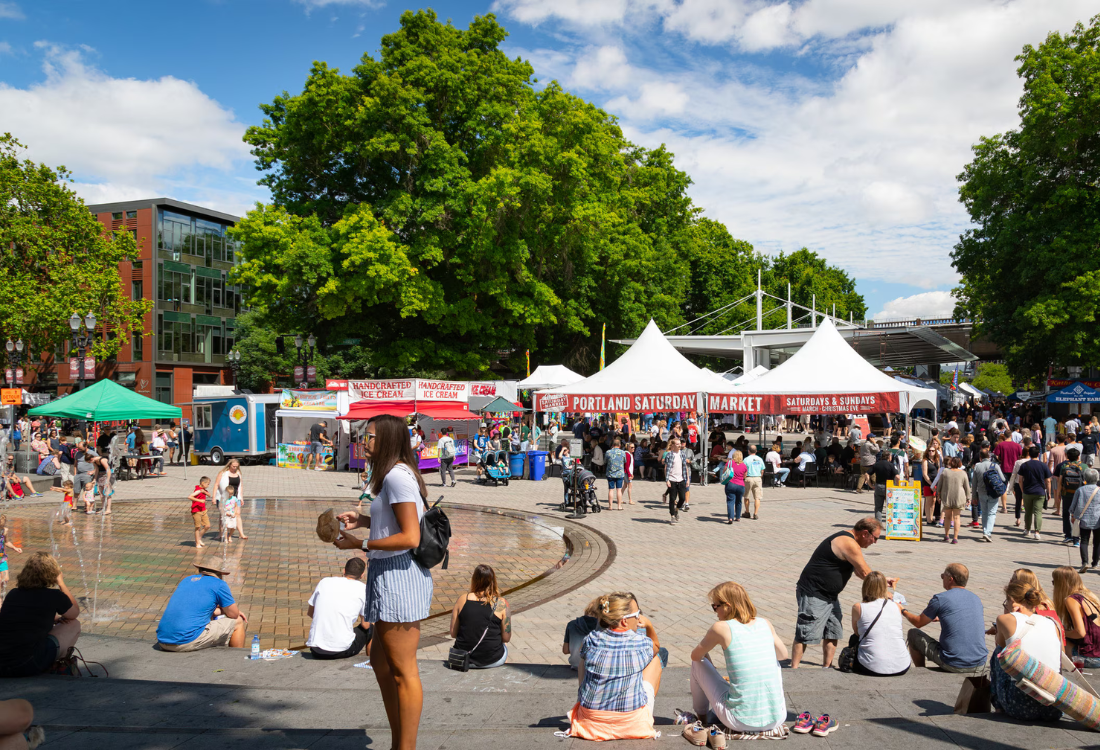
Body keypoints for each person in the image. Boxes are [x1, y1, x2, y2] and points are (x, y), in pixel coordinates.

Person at [333, 414, 433, 750]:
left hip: (399, 575)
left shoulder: (397, 477)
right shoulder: (393, 476)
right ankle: (398, 742)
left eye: (371, 436)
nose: (365, 442)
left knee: (403, 670)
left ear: (388, 439)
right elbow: (394, 522)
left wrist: (360, 543)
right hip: (387, 573)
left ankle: (405, 747)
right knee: (379, 661)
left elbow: (410, 536)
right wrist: (363, 520)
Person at [683, 582, 789, 743]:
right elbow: (783, 655)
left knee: (697, 664)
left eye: (715, 606)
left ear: (727, 606)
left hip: (739, 721)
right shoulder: (765, 623)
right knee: (773, 662)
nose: (715, 611)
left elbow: (695, 656)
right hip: (777, 718)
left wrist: (708, 659)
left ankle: (701, 720)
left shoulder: (721, 627)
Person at [791, 518, 894, 669]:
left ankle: (827, 667)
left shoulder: (852, 542)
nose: (875, 542)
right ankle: (793, 669)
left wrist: (883, 581)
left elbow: (859, 571)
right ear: (865, 533)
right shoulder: (848, 542)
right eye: (875, 538)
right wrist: (883, 591)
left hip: (830, 595)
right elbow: (865, 572)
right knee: (806, 632)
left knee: (832, 631)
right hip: (814, 592)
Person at [566, 592, 664, 741]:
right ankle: (642, 715)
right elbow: (656, 646)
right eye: (637, 615)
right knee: (655, 660)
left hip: (590, 722)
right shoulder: (641, 643)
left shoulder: (591, 639)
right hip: (631, 723)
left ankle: (583, 700)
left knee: (582, 661)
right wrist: (649, 625)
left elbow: (583, 654)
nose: (639, 618)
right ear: (624, 621)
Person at [988, 580, 1063, 722]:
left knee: (999, 652)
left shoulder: (1004, 619)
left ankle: (998, 706)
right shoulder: (1052, 623)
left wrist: (1008, 612)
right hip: (1053, 705)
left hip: (1020, 706)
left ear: (1012, 600)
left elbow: (1000, 644)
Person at [0, 551, 80, 677]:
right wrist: (61, 583)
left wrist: (53, 619)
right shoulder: (54, 596)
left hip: (2, 663)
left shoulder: (13, 593)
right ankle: (57, 665)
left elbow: (25, 616)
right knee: (74, 624)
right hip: (28, 663)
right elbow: (74, 612)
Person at [902, 563, 988, 673]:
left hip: (954, 663)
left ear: (950, 579)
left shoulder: (940, 599)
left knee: (913, 634)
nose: (942, 578)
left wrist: (902, 610)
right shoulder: (976, 598)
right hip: (979, 663)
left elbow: (918, 622)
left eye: (943, 576)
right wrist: (943, 617)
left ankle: (921, 673)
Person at [155, 563, 247, 651]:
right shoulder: (219, 584)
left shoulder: (186, 580)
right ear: (220, 573)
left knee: (206, 617)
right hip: (186, 642)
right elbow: (234, 614)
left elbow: (201, 609)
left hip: (163, 640)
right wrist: (229, 610)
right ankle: (236, 657)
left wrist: (221, 610)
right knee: (238, 621)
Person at [307, 557, 371, 660]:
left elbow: (311, 613)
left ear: (344, 571)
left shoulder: (324, 582)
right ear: (362, 575)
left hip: (315, 649)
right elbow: (365, 624)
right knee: (372, 627)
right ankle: (370, 662)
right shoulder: (363, 589)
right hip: (341, 650)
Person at [449, 564, 511, 669]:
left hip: (462, 659)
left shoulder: (462, 599)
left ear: (474, 579)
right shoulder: (501, 603)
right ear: (493, 581)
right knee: (504, 646)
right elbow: (506, 638)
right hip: (491, 660)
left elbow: (453, 634)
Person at [850, 571, 910, 677]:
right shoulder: (896, 606)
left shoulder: (858, 607)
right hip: (902, 666)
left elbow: (857, 633)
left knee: (854, 638)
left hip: (872, 668)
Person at [1017, 444, 1053, 540]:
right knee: (1038, 512)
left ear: (1029, 454)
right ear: (1038, 454)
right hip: (1040, 492)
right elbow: (1048, 480)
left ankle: (1027, 529)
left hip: (1027, 491)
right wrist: (1049, 492)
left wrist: (1023, 490)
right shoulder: (1043, 465)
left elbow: (1020, 480)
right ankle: (1037, 532)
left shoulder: (1024, 465)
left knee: (1028, 512)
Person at [971, 447, 1007, 542]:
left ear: (980, 457)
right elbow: (1003, 479)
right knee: (992, 513)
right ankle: (988, 532)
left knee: (984, 512)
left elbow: (974, 483)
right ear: (989, 456)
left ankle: (985, 531)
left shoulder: (977, 466)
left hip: (981, 492)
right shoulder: (995, 466)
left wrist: (974, 496)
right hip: (993, 492)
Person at [1056, 447, 1088, 546]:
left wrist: (1058, 494)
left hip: (1067, 493)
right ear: (1078, 456)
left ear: (1067, 456)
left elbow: (1060, 481)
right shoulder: (1084, 466)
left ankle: (1068, 535)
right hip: (1080, 494)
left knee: (1066, 514)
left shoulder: (1064, 466)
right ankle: (1077, 539)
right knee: (1078, 515)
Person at [935, 456, 971, 544]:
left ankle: (947, 535)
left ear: (950, 463)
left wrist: (938, 495)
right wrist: (968, 498)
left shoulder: (945, 472)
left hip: (947, 496)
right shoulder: (963, 473)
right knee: (957, 517)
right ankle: (955, 538)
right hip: (959, 497)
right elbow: (967, 487)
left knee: (947, 517)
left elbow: (939, 484)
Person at [1072, 468, 1100, 572]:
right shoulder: (1099, 490)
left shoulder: (1080, 490)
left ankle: (1085, 562)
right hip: (1098, 520)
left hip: (1084, 519)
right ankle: (1095, 563)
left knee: (1084, 540)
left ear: (1085, 478)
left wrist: (1073, 515)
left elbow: (1074, 505)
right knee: (1097, 542)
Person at [563, 597, 601, 670]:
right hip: (594, 667)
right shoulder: (603, 626)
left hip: (576, 665)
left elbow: (565, 650)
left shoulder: (571, 624)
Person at [213, 460, 247, 540]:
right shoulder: (223, 473)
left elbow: (241, 486)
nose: (235, 468)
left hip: (236, 497)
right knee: (223, 515)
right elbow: (216, 484)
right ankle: (221, 533)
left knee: (238, 514)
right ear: (229, 465)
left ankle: (241, 533)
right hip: (223, 498)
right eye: (233, 466)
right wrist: (214, 497)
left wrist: (241, 497)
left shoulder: (238, 473)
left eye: (236, 466)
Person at [664, 437, 690, 524]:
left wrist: (687, 479)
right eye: (677, 444)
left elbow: (685, 467)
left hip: (681, 479)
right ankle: (672, 516)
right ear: (673, 445)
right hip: (672, 479)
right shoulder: (669, 455)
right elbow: (666, 468)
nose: (680, 445)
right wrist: (667, 480)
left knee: (682, 498)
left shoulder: (682, 454)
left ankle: (676, 510)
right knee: (672, 498)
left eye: (680, 444)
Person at [870, 451, 899, 524]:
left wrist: (870, 485)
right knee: (890, 506)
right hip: (889, 487)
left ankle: (878, 525)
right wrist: (897, 485)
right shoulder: (891, 465)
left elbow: (867, 474)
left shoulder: (876, 464)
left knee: (878, 507)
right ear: (889, 457)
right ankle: (890, 524)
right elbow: (897, 476)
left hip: (878, 486)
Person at [721, 450, 748, 524]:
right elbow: (744, 476)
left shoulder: (730, 463)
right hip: (741, 485)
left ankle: (730, 518)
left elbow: (724, 471)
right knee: (739, 501)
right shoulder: (744, 465)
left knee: (730, 501)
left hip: (731, 484)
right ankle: (738, 517)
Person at [189, 476, 212, 548]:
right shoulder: (198, 490)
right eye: (207, 484)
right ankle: (197, 543)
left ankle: (199, 538)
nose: (208, 485)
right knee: (198, 527)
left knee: (207, 525)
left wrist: (204, 492)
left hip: (203, 510)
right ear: (202, 483)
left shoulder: (203, 490)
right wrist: (199, 500)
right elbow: (190, 497)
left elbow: (209, 495)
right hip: (196, 511)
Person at [0, 515, 22, 593]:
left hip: (2, 558)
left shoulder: (4, 531)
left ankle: (1, 594)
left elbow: (6, 542)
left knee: (5, 579)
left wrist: (15, 548)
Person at [743, 445, 765, 520]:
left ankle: (747, 512)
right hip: (757, 478)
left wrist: (744, 477)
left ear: (748, 451)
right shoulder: (760, 459)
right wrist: (760, 476)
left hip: (749, 478)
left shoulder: (746, 459)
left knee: (746, 496)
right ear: (756, 451)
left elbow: (744, 470)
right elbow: (762, 470)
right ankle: (755, 513)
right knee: (757, 497)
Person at [605, 438, 627, 511]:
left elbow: (605, 461)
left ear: (612, 445)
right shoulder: (623, 452)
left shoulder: (608, 452)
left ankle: (610, 506)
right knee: (619, 490)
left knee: (611, 490)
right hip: (620, 474)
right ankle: (619, 506)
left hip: (610, 473)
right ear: (619, 445)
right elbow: (625, 461)